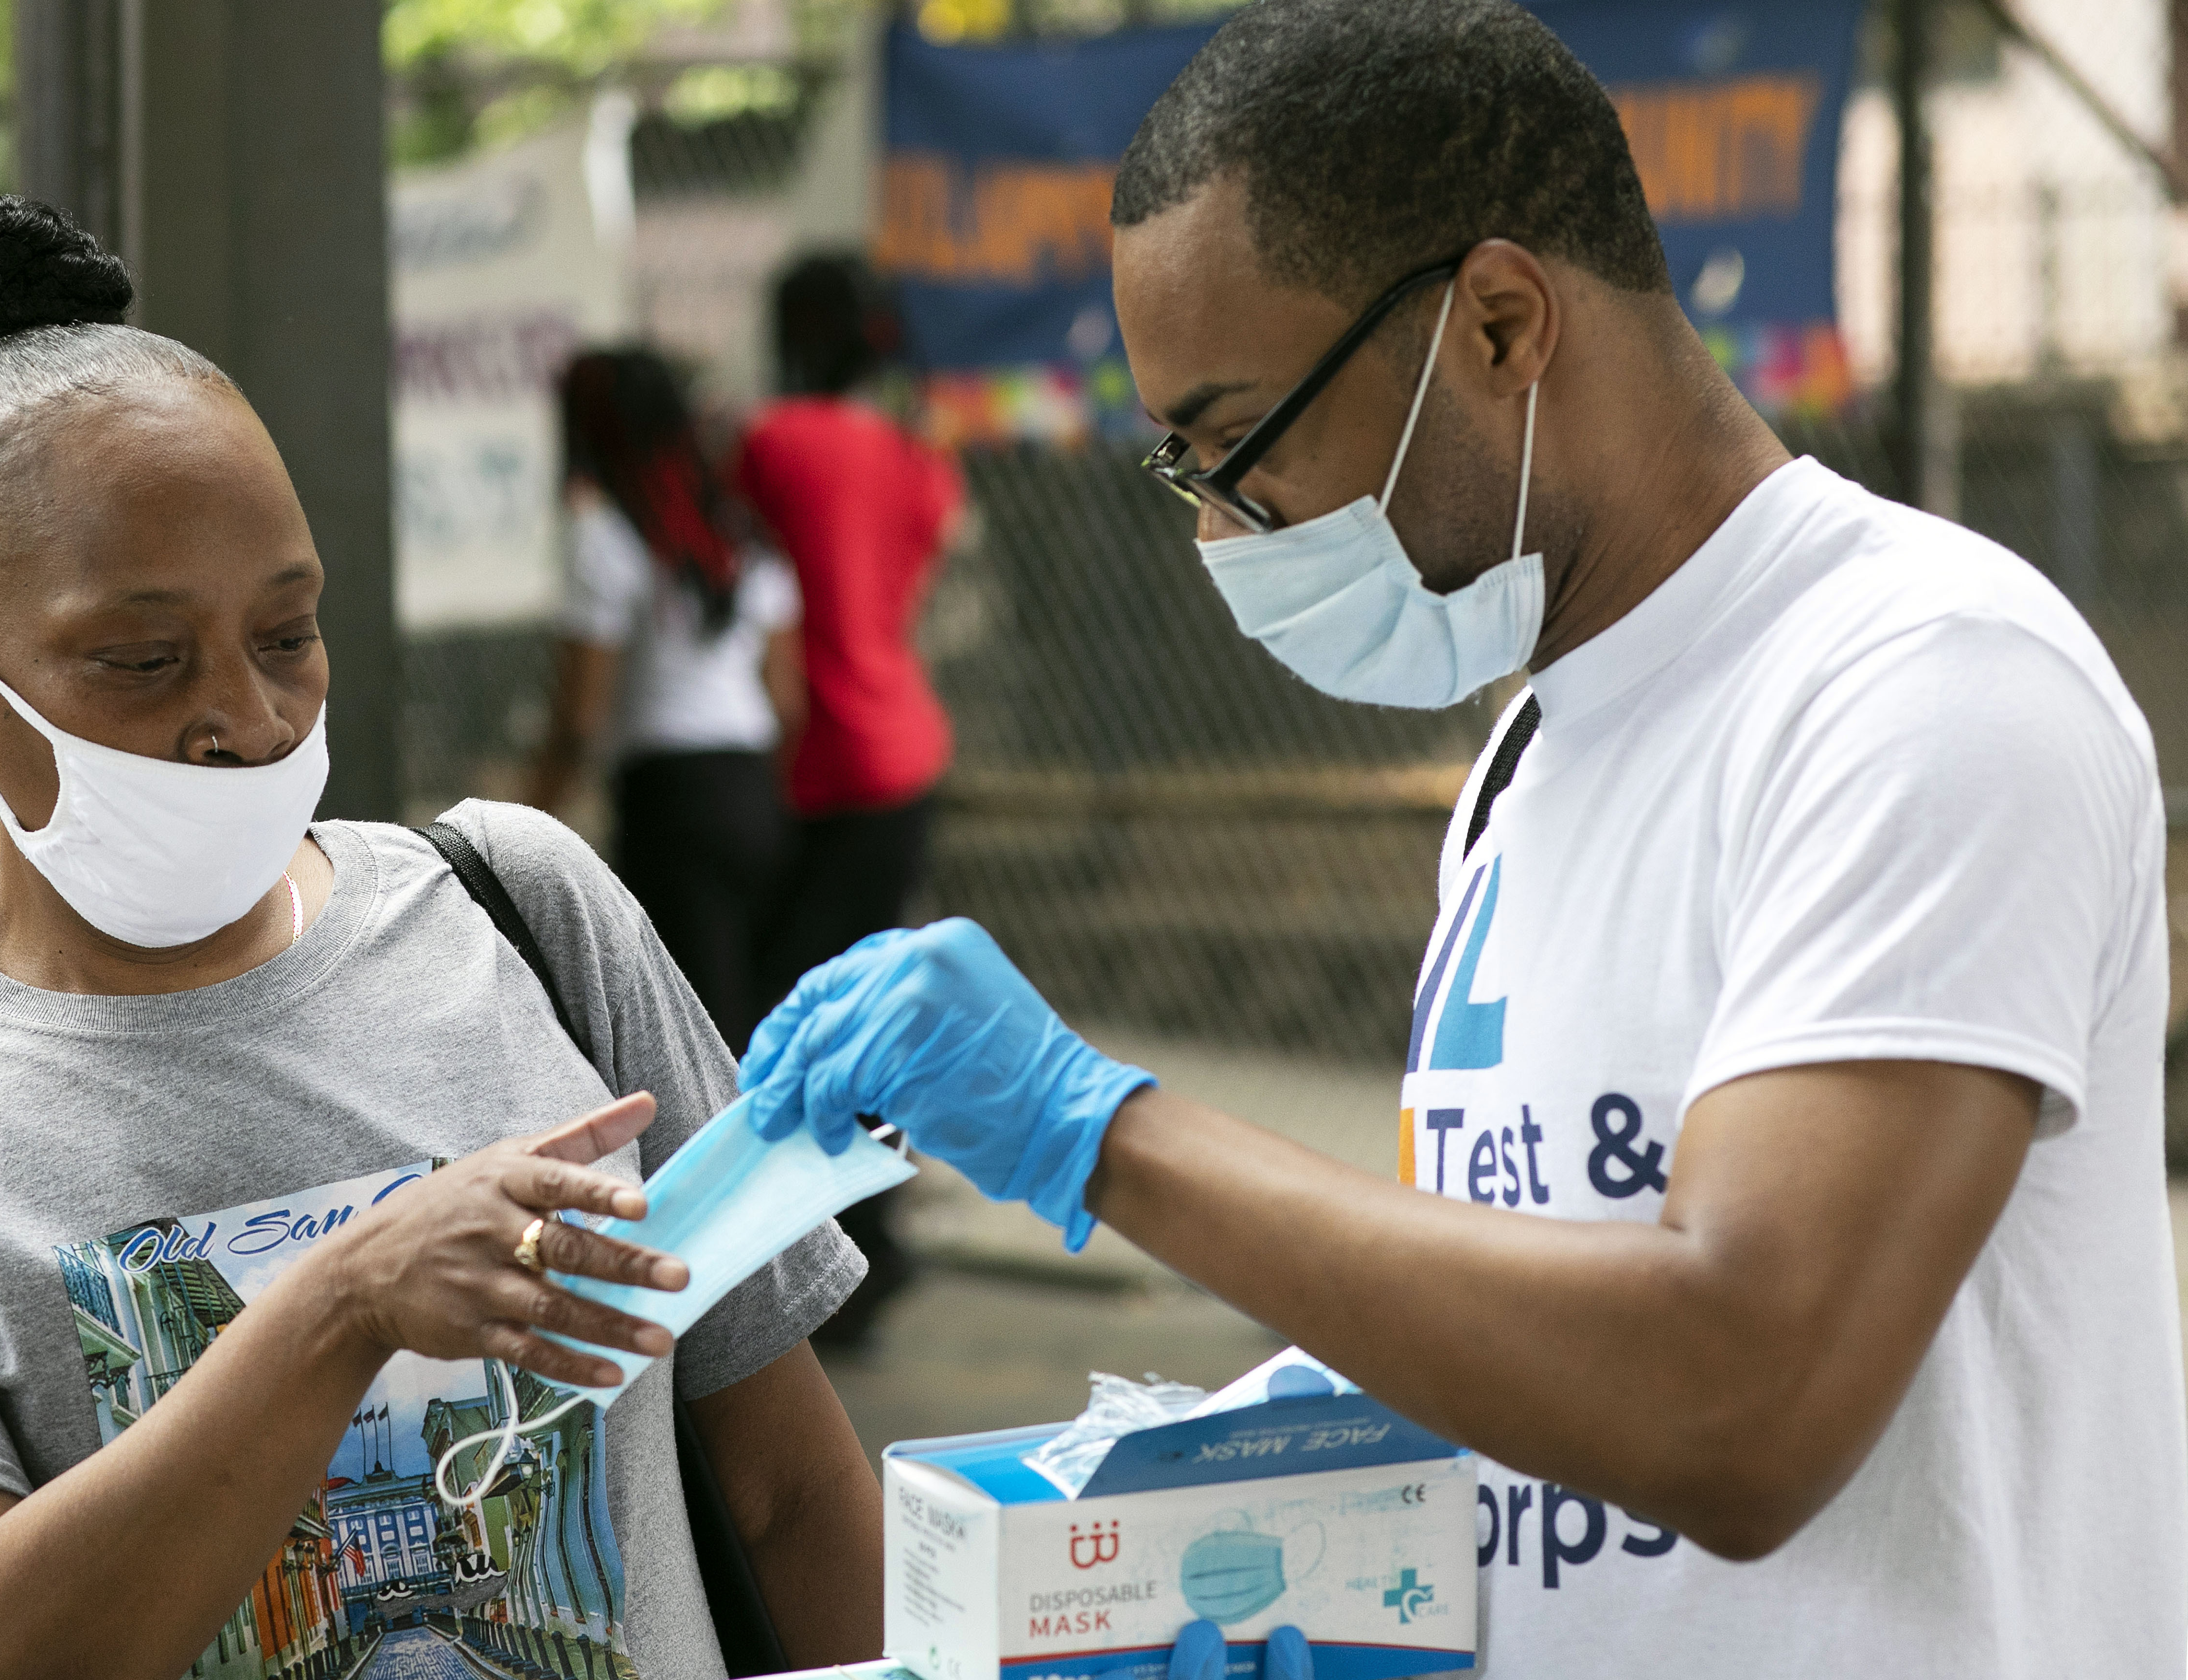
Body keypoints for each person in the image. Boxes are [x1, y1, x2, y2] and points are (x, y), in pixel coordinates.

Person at [736, 4, 2187, 1676]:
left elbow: (1742, 1396)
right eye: (1183, 466)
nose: (1221, 532)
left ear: (1500, 322)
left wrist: (1102, 1130)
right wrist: (1189, 1518)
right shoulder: (1528, 757)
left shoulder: (1919, 686)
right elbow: (1530, 1324)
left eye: (1241, 446)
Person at [0, 198, 883, 1679]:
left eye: (287, 636)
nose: (245, 723)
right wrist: (342, 1304)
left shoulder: (521, 908)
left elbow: (791, 1493)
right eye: (142, 660)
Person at [735, 253, 965, 1344]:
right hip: (905, 755)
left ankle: (846, 1262)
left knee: (790, 1026)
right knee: (868, 1014)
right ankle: (880, 1246)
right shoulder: (919, 459)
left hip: (817, 764)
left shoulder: (770, 445)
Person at [529, 347, 803, 1051]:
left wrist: (524, 820)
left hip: (671, 800)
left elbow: (581, 717)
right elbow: (787, 696)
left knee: (691, 1038)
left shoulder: (606, 536)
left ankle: (723, 1164)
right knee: (741, 1016)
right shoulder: (735, 528)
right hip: (751, 786)